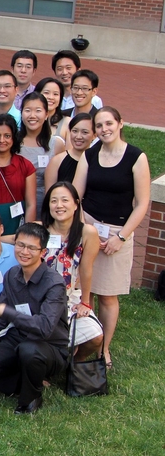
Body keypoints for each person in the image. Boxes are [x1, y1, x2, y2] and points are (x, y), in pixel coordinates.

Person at [73, 106, 150, 368]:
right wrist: (84, 229)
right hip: (89, 228)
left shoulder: (136, 158)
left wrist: (122, 238)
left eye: (109, 123)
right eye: (99, 125)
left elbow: (142, 203)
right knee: (85, 292)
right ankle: (86, 340)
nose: (104, 129)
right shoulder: (89, 155)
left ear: (120, 123)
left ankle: (103, 348)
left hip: (118, 233)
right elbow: (76, 196)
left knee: (107, 295)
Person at [0, 223, 68, 415]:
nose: (24, 252)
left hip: (49, 345)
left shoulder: (54, 283)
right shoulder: (12, 275)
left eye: (31, 248)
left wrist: (8, 312)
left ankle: (30, 397)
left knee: (29, 350)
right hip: (19, 337)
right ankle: (26, 380)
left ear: (43, 252)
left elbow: (45, 327)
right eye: (20, 245)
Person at [40, 182, 105, 360]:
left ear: (76, 204)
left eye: (64, 200)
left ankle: (71, 363)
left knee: (96, 336)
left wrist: (85, 302)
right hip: (40, 298)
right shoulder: (39, 230)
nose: (59, 205)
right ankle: (47, 361)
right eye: (54, 201)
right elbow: (14, 239)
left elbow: (86, 269)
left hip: (69, 297)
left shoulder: (87, 232)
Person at [0, 114, 36, 235]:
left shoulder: (26, 165)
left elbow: (31, 205)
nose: (2, 140)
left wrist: (26, 234)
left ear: (14, 138)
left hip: (19, 227)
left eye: (7, 136)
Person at [18, 92, 64, 202]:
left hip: (45, 202)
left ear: (46, 114)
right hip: (17, 201)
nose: (32, 115)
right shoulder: (12, 143)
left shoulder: (56, 144)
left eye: (38, 111)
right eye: (28, 110)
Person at [45, 112, 94, 186]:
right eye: (75, 131)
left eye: (84, 132)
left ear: (94, 135)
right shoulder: (57, 161)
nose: (78, 137)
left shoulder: (97, 160)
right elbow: (49, 191)